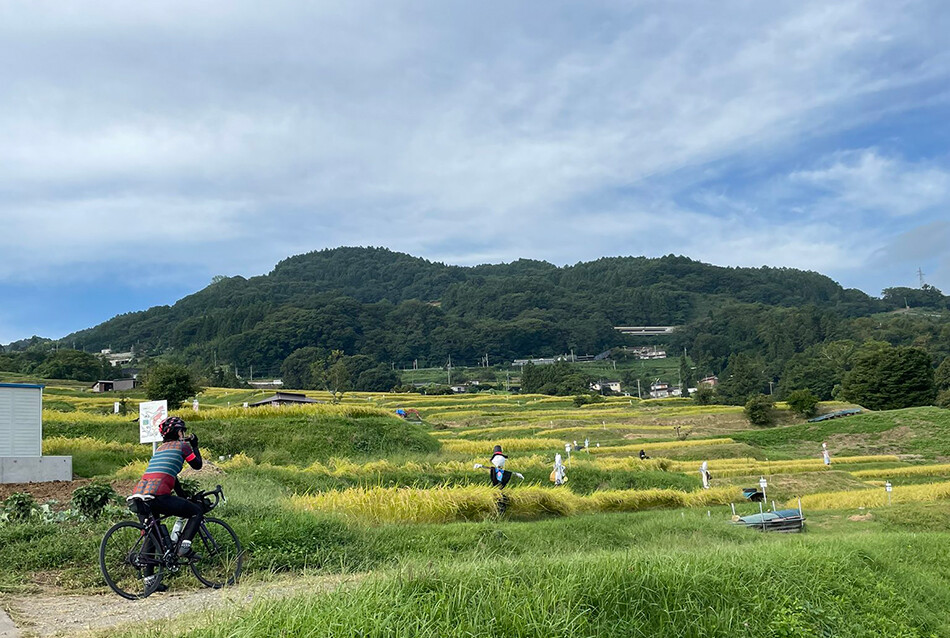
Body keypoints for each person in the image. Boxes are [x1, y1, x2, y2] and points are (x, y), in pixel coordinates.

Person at [131, 416, 204, 592]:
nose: (184, 434)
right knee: (196, 512)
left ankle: (150, 581)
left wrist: (183, 496)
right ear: (179, 432)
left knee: (152, 533)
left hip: (138, 495)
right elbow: (197, 465)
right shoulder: (183, 446)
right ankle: (184, 547)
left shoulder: (161, 450)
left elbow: (172, 476)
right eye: (183, 431)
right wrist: (195, 444)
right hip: (158, 495)